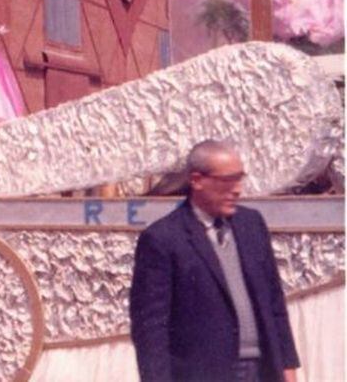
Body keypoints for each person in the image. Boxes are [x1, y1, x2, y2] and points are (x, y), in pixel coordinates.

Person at [129, 140, 300, 382]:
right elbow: (151, 330)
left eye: (240, 179)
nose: (238, 189)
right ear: (197, 180)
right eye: (228, 180)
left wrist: (288, 367)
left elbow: (274, 303)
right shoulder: (163, 239)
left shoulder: (251, 225)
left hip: (262, 369)